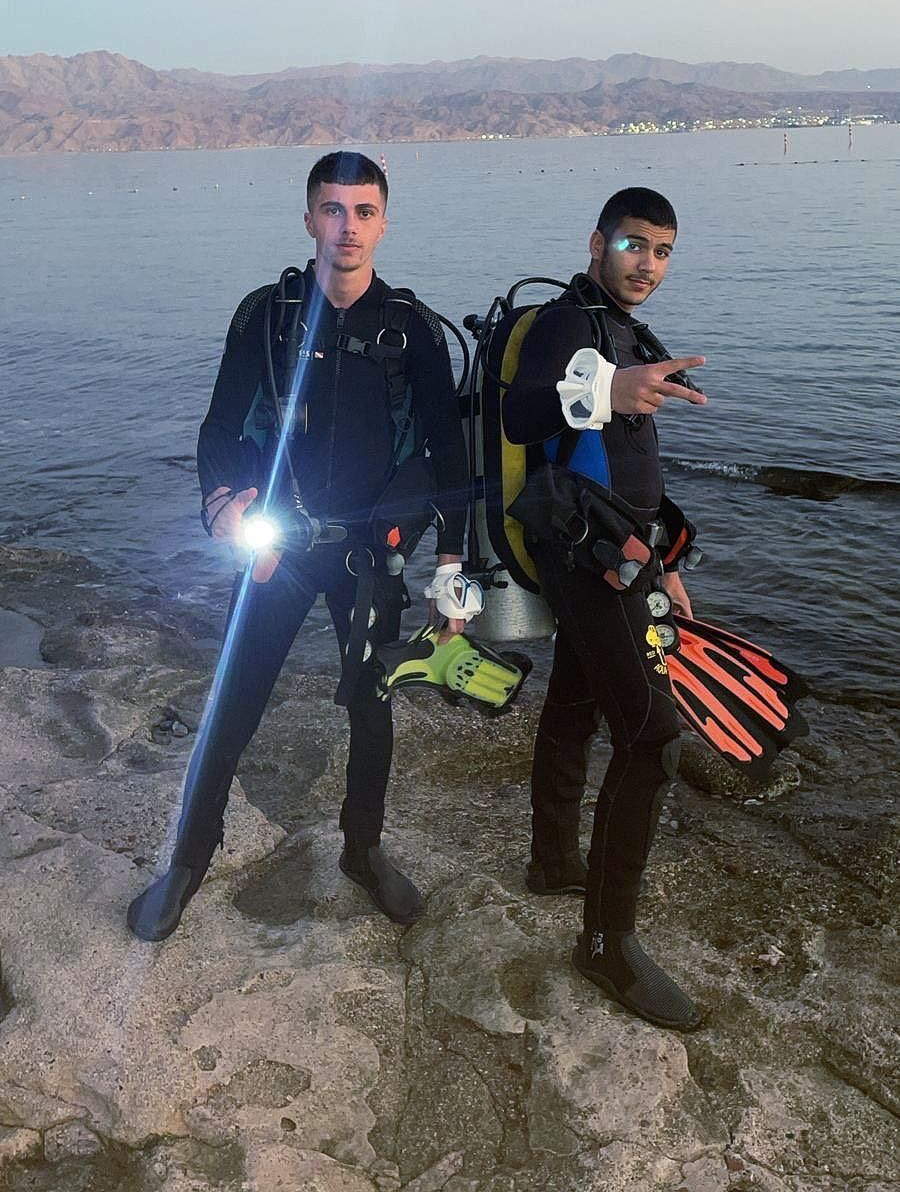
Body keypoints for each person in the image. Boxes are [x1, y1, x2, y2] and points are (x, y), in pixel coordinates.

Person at [128, 151, 473, 941]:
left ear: (384, 220)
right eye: (331, 209)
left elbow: (448, 456)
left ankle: (364, 847)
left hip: (367, 551)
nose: (346, 227)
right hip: (277, 545)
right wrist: (220, 503)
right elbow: (219, 430)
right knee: (235, 698)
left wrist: (452, 567)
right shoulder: (264, 316)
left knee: (371, 704)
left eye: (363, 211)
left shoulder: (412, 329)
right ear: (308, 215)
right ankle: (189, 858)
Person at [502, 186, 709, 1030]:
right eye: (634, 245)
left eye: (662, 250)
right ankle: (606, 945)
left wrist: (666, 553)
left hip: (620, 548)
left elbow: (628, 469)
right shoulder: (566, 322)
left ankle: (553, 859)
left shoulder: (625, 331)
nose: (648, 265)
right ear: (597, 242)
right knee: (653, 733)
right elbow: (520, 414)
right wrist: (606, 390)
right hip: (580, 557)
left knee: (578, 696)